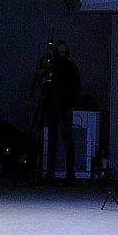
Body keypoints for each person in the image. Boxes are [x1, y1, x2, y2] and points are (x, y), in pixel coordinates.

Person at [33, 39, 82, 182]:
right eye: (59, 51)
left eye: (63, 51)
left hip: (65, 106)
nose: (61, 53)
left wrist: (71, 102)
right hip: (51, 105)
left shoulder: (71, 67)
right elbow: (44, 82)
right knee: (52, 140)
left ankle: (70, 174)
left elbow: (76, 87)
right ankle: (50, 173)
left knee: (67, 139)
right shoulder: (52, 66)